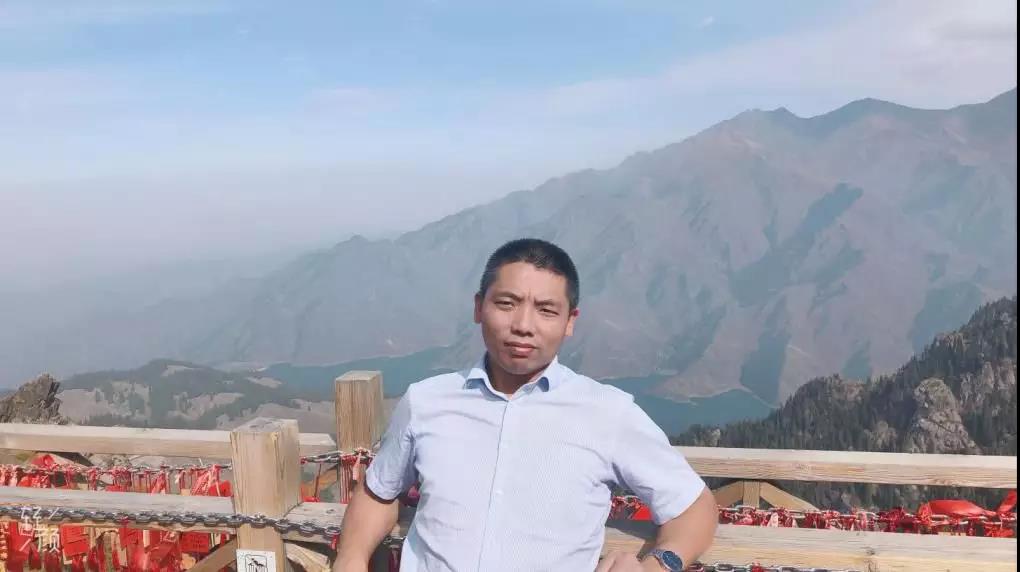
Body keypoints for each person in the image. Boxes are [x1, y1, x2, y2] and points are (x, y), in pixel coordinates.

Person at [335, 238, 717, 572]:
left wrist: (659, 565)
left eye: (546, 310)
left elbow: (693, 507)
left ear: (570, 321)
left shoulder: (608, 413)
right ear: (478, 307)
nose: (523, 324)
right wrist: (350, 559)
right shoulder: (426, 401)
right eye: (506, 303)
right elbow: (378, 492)